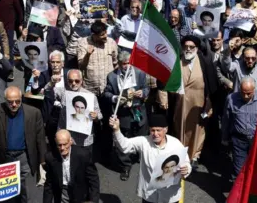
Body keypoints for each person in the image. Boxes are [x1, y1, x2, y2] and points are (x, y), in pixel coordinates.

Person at [0, 86, 47, 203]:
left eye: (17, 101)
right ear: (5, 100)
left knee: (26, 191)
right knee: (8, 191)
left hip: (25, 157)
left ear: (21, 99)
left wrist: (43, 159)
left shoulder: (34, 113)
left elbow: (40, 138)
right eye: (10, 102)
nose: (14, 104)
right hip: (6, 157)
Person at [158, 35, 218, 167]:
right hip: (180, 105)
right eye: (186, 47)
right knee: (180, 129)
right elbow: (164, 82)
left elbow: (212, 86)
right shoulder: (176, 62)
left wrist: (209, 104)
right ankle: (182, 154)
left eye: (191, 47)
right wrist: (163, 99)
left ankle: (195, 155)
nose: (188, 49)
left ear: (197, 48)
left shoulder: (205, 62)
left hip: (199, 104)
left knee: (198, 130)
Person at [109, 114, 191, 203]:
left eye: (158, 130)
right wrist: (116, 130)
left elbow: (186, 162)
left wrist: (186, 169)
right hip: (150, 196)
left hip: (169, 196)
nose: (155, 134)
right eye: (153, 130)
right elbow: (124, 146)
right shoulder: (144, 141)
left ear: (165, 129)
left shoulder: (176, 144)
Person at [102, 50, 149, 180]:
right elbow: (106, 93)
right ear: (119, 63)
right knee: (122, 139)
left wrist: (143, 93)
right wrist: (115, 98)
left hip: (138, 110)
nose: (126, 66)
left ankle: (142, 158)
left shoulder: (139, 73)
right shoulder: (112, 76)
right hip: (123, 113)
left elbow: (146, 88)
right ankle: (125, 166)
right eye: (123, 64)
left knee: (142, 136)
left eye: (128, 63)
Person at [222, 77, 257, 178]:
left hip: (256, 140)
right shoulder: (231, 99)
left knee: (256, 170)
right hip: (238, 140)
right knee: (239, 171)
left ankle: (252, 193)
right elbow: (226, 119)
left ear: (254, 90)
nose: (245, 96)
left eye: (249, 93)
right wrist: (224, 137)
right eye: (243, 92)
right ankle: (240, 193)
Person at [42, 129, 100, 203]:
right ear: (55, 142)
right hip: (62, 194)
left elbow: (93, 179)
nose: (62, 148)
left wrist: (94, 200)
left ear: (70, 141)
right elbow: (49, 183)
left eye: (65, 144)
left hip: (80, 195)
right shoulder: (50, 157)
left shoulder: (83, 155)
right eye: (59, 145)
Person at [77, 21, 118, 95]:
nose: (105, 36)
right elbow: (81, 66)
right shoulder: (83, 43)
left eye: (106, 32)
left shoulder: (111, 43)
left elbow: (116, 64)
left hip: (108, 89)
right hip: (90, 89)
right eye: (102, 35)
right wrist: (88, 55)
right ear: (94, 35)